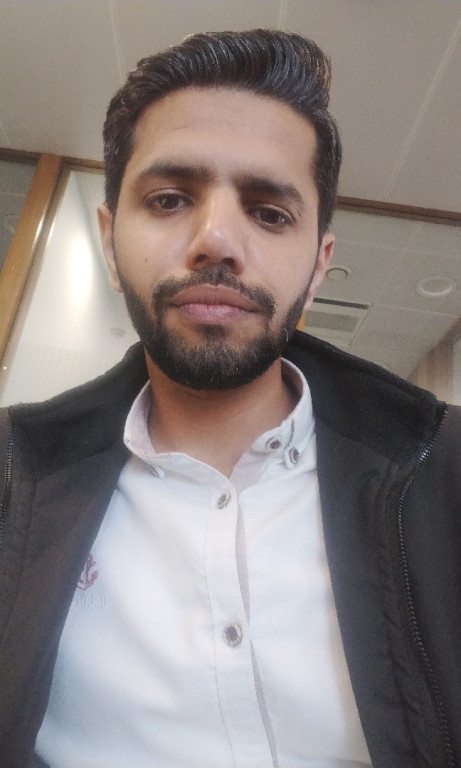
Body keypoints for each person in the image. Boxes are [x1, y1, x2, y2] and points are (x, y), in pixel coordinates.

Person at [0, 28, 460, 768]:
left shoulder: (445, 473)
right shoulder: (13, 480)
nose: (216, 240)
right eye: (169, 199)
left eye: (269, 213)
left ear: (318, 267)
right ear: (110, 244)